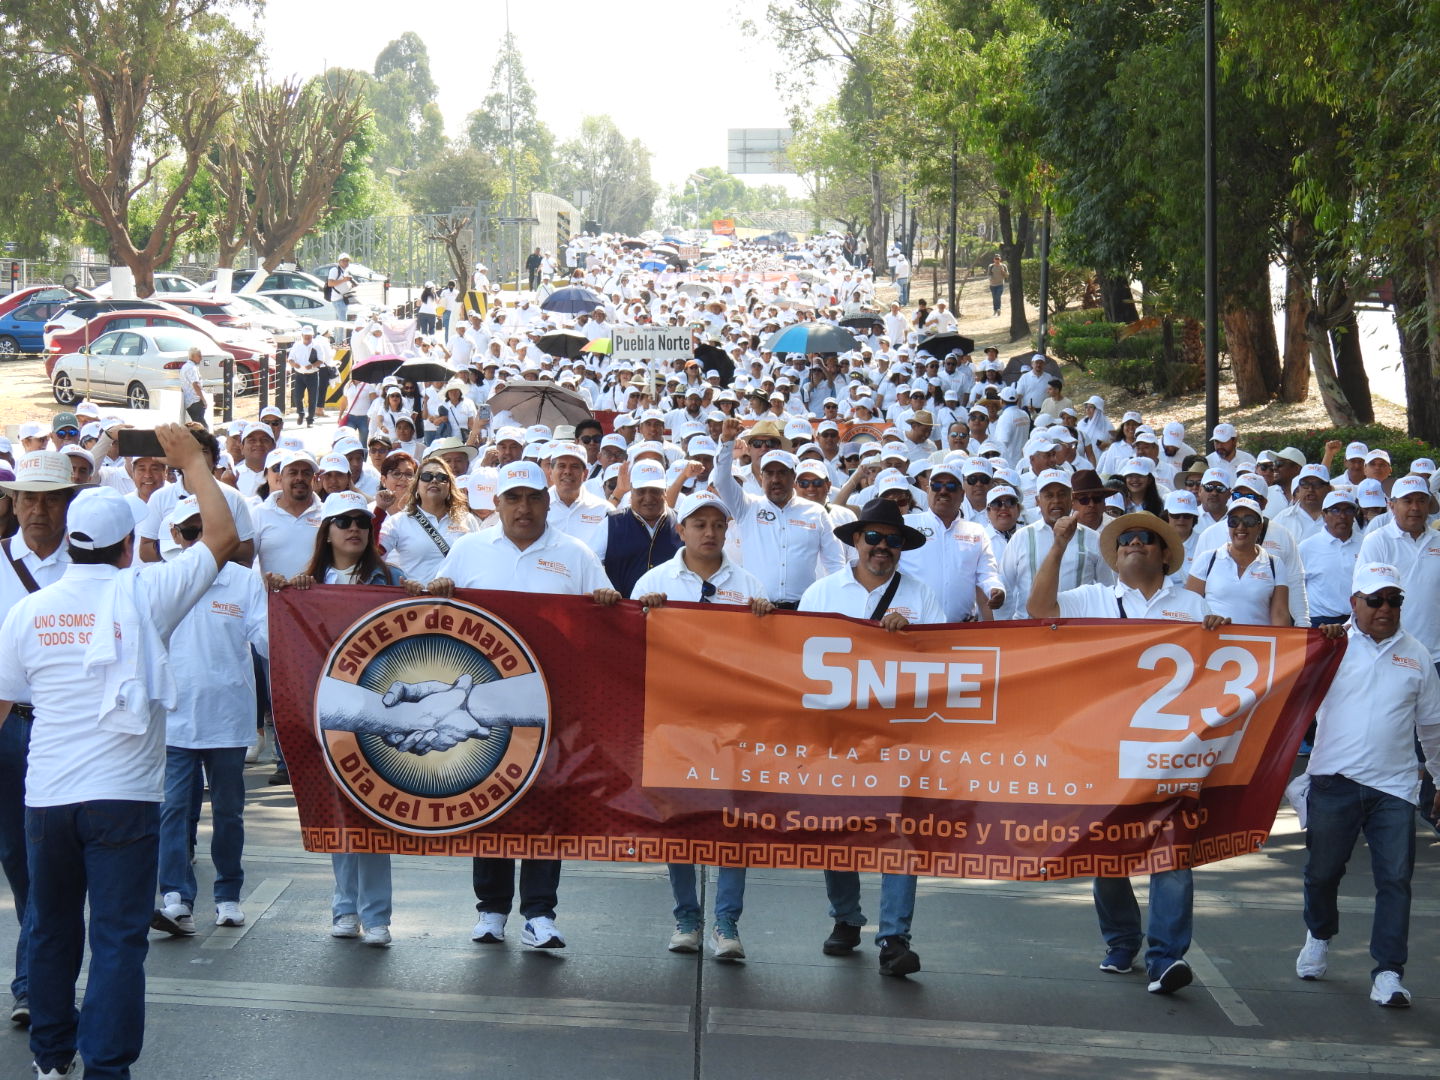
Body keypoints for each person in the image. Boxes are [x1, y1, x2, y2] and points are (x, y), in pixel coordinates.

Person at [0, 425, 237, 1080]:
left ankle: (50, 1061)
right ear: (130, 544)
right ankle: (106, 1069)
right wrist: (190, 463)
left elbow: (1, 706)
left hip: (46, 799)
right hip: (125, 801)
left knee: (49, 933)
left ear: (72, 539)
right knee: (116, 943)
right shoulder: (146, 591)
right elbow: (220, 537)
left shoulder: (29, 611)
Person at [1028, 510, 1228, 996]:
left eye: (1145, 539)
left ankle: (1165, 959)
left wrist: (1223, 632)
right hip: (1106, 750)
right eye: (1124, 542)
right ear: (1115, 560)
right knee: (1109, 852)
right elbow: (1039, 610)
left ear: (1164, 554)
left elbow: (1235, 665)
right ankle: (1121, 941)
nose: (1133, 544)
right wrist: (1058, 544)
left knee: (1173, 855)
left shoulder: (1196, 605)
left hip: (1175, 752)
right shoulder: (1094, 599)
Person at [423, 461, 621, 950]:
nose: (523, 508)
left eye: (533, 498)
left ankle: (539, 913)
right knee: (489, 802)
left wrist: (606, 603)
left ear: (547, 502)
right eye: (513, 498)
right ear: (497, 504)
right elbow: (431, 614)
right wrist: (439, 593)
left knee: (544, 805)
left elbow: (605, 623)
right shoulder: (469, 550)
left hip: (552, 703)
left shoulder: (574, 554)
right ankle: (491, 909)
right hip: (481, 705)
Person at [800, 498, 943, 977]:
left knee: (902, 833)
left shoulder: (923, 597)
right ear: (855, 541)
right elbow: (792, 659)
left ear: (904, 547)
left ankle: (894, 937)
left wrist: (913, 638)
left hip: (901, 734)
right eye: (874, 538)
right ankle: (845, 918)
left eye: (893, 540)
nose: (882, 548)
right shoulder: (820, 593)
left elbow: (949, 664)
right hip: (836, 732)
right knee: (838, 829)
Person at [632, 491, 772, 960]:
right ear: (681, 531)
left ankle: (727, 923)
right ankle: (686, 917)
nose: (709, 533)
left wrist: (766, 622)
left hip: (733, 725)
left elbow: (768, 658)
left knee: (733, 824)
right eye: (699, 524)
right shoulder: (654, 581)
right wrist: (642, 616)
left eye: (717, 524)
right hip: (674, 722)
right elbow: (626, 650)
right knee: (680, 821)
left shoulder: (751, 584)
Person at [1296, 562, 1440, 1008]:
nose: (1385, 608)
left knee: (1395, 880)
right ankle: (1320, 934)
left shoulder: (1416, 654)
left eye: (1394, 600)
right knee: (1323, 873)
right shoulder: (1328, 646)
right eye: (1375, 600)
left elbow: (1433, 727)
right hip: (1333, 780)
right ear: (1353, 603)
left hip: (1394, 789)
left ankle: (1389, 972)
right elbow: (1278, 690)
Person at [276, 491, 404, 947]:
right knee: (338, 812)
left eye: (362, 522)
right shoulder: (305, 584)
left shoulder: (392, 578)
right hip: (327, 711)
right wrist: (282, 598)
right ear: (326, 531)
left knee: (373, 814)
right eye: (343, 521)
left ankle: (376, 916)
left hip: (380, 711)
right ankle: (344, 907)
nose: (354, 528)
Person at [151, 496, 267, 940]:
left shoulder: (243, 581)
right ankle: (177, 897)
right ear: (176, 537)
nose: (200, 539)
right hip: (174, 721)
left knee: (229, 813)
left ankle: (228, 895)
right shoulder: (160, 580)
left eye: (207, 529)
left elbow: (267, 640)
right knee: (174, 810)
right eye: (190, 531)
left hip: (227, 720)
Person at [0, 452, 82, 1031]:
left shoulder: (92, 566)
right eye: (27, 497)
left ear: (68, 503)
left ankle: (34, 980)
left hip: (66, 728)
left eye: (50, 497)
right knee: (16, 855)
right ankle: (38, 971)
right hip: (7, 724)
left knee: (47, 858)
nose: (37, 509)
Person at [1185, 497, 1290, 626]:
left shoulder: (1275, 564)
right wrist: (1209, 619)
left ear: (1260, 527)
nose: (1241, 526)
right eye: (1234, 521)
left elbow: (1280, 614)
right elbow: (1188, 608)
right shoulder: (1207, 559)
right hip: (1214, 642)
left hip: (1258, 643)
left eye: (1249, 521)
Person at [377, 456, 477, 585]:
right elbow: (374, 556)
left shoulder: (467, 519)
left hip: (458, 602)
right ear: (416, 485)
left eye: (442, 477)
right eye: (427, 477)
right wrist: (379, 511)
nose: (434, 480)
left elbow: (478, 562)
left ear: (450, 486)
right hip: (417, 601)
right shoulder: (398, 521)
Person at [288, 326, 332, 429]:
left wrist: (312, 365)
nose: (308, 338)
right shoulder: (297, 345)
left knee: (313, 399)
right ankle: (301, 413)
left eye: (310, 337)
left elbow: (321, 360)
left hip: (312, 375)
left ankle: (310, 420)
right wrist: (294, 364)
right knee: (297, 397)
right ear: (302, 336)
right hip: (299, 375)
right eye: (306, 336)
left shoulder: (317, 345)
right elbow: (290, 358)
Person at [179, 346, 207, 428]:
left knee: (198, 425)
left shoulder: (185, 367)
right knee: (202, 427)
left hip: (190, 402)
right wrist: (203, 399)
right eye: (199, 356)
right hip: (195, 401)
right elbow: (195, 384)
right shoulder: (191, 368)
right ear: (193, 356)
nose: (201, 358)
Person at [326, 254, 355, 325]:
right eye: (344, 261)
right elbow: (330, 283)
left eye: (347, 261)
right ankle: (341, 336)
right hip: (338, 299)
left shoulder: (345, 271)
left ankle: (339, 336)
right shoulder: (335, 270)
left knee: (339, 323)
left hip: (343, 299)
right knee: (342, 323)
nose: (346, 262)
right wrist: (344, 280)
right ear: (339, 261)